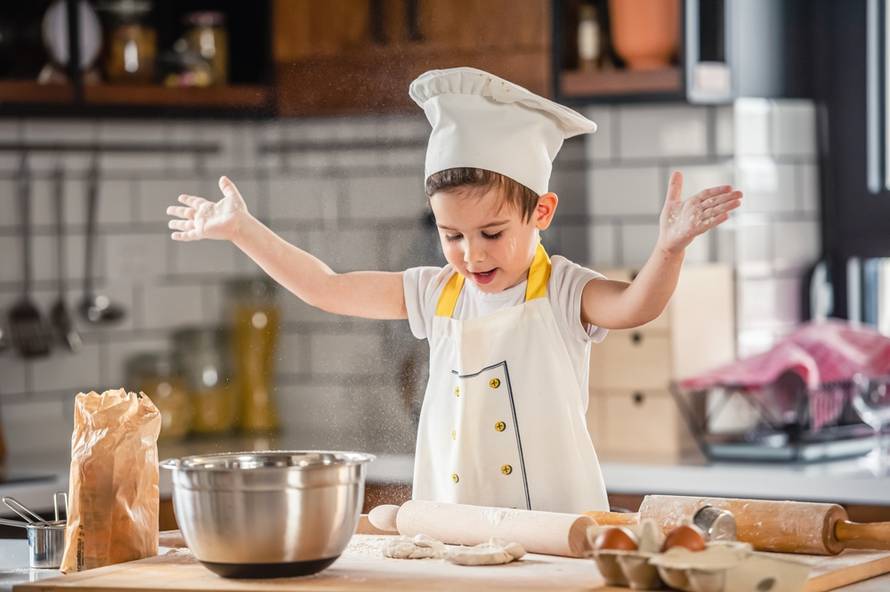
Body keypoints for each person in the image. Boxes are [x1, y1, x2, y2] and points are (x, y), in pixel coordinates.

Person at [167, 67, 742, 513]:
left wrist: (667, 250)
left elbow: (635, 306)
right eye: (451, 235)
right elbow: (326, 287)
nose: (471, 254)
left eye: (492, 233)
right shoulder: (435, 292)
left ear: (540, 211)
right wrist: (243, 230)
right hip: (455, 534)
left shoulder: (564, 290)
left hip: (555, 534)